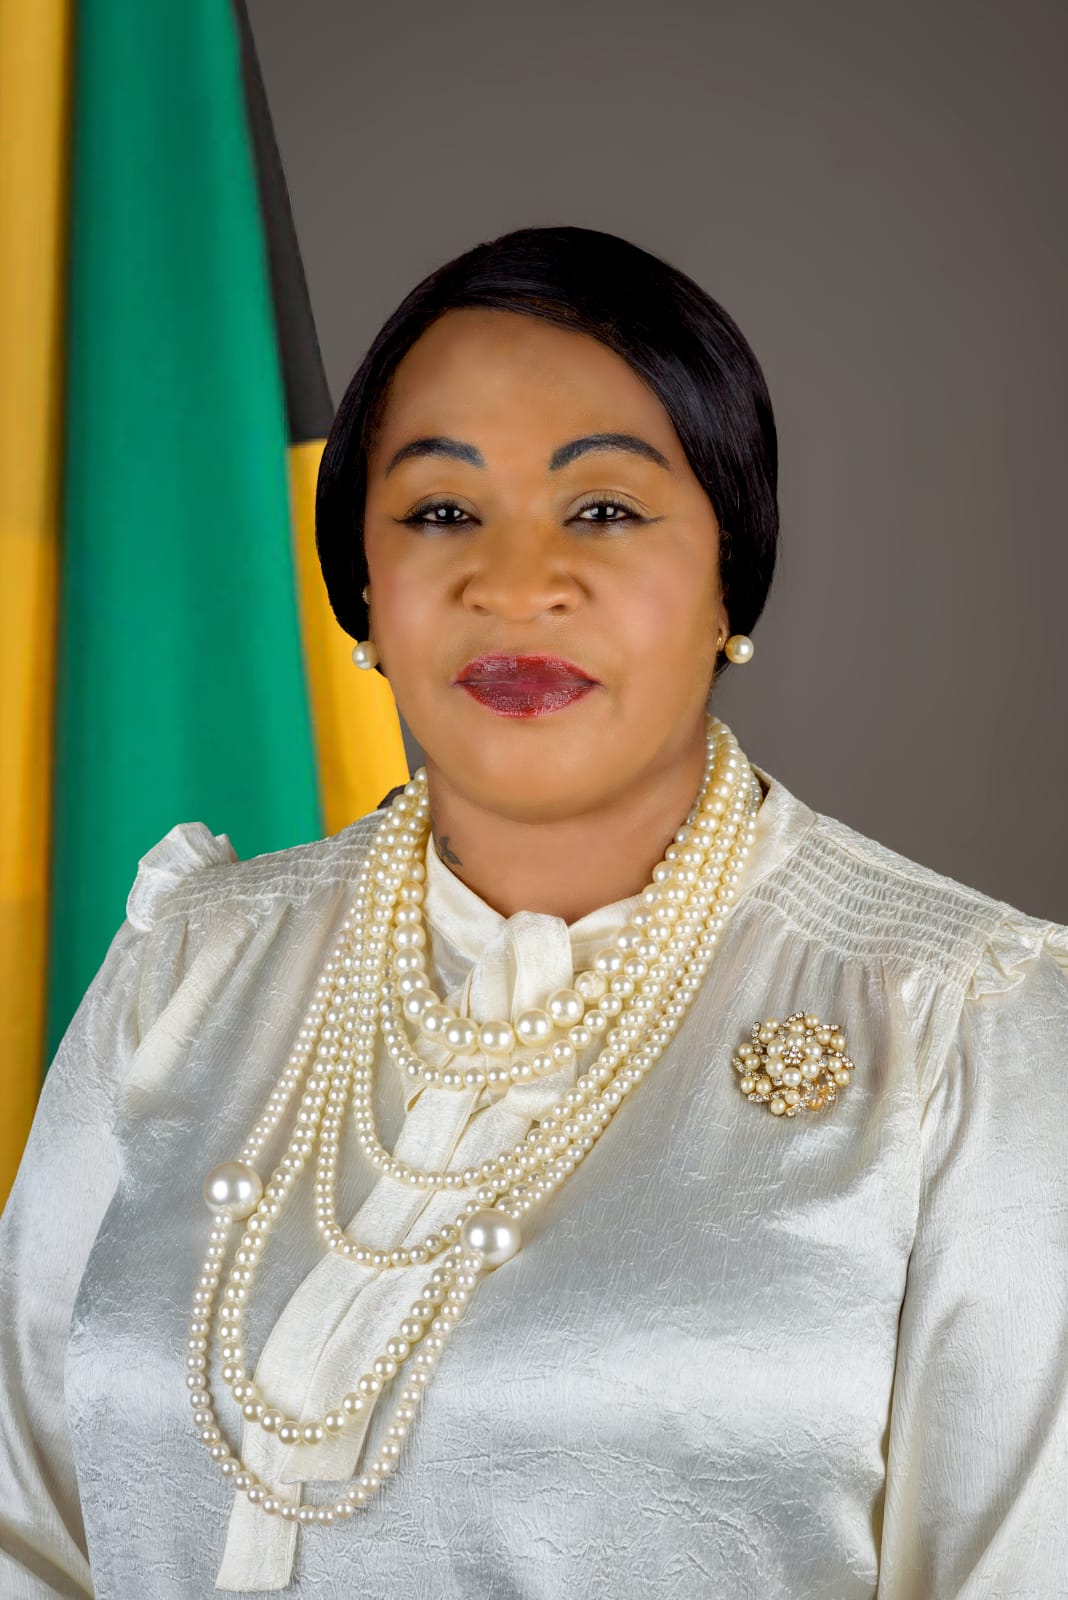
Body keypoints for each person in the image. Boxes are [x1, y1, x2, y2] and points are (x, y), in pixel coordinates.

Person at [1, 224, 1065, 1600]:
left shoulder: (960, 1025)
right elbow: (23, 1528)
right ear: (362, 588)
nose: (513, 584)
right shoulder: (187, 973)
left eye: (604, 509)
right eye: (441, 512)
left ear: (731, 572)